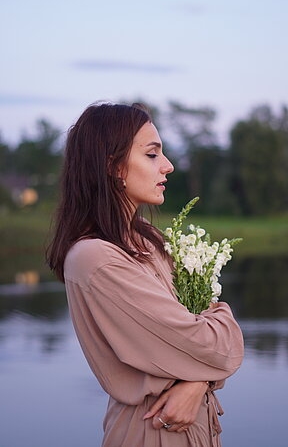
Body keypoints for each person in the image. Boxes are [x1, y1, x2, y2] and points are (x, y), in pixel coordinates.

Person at [47, 101, 244, 447]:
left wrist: (197, 384)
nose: (167, 166)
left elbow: (211, 341)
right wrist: (207, 362)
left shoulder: (148, 241)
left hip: (193, 423)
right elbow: (212, 346)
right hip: (153, 430)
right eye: (152, 155)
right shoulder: (96, 259)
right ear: (114, 166)